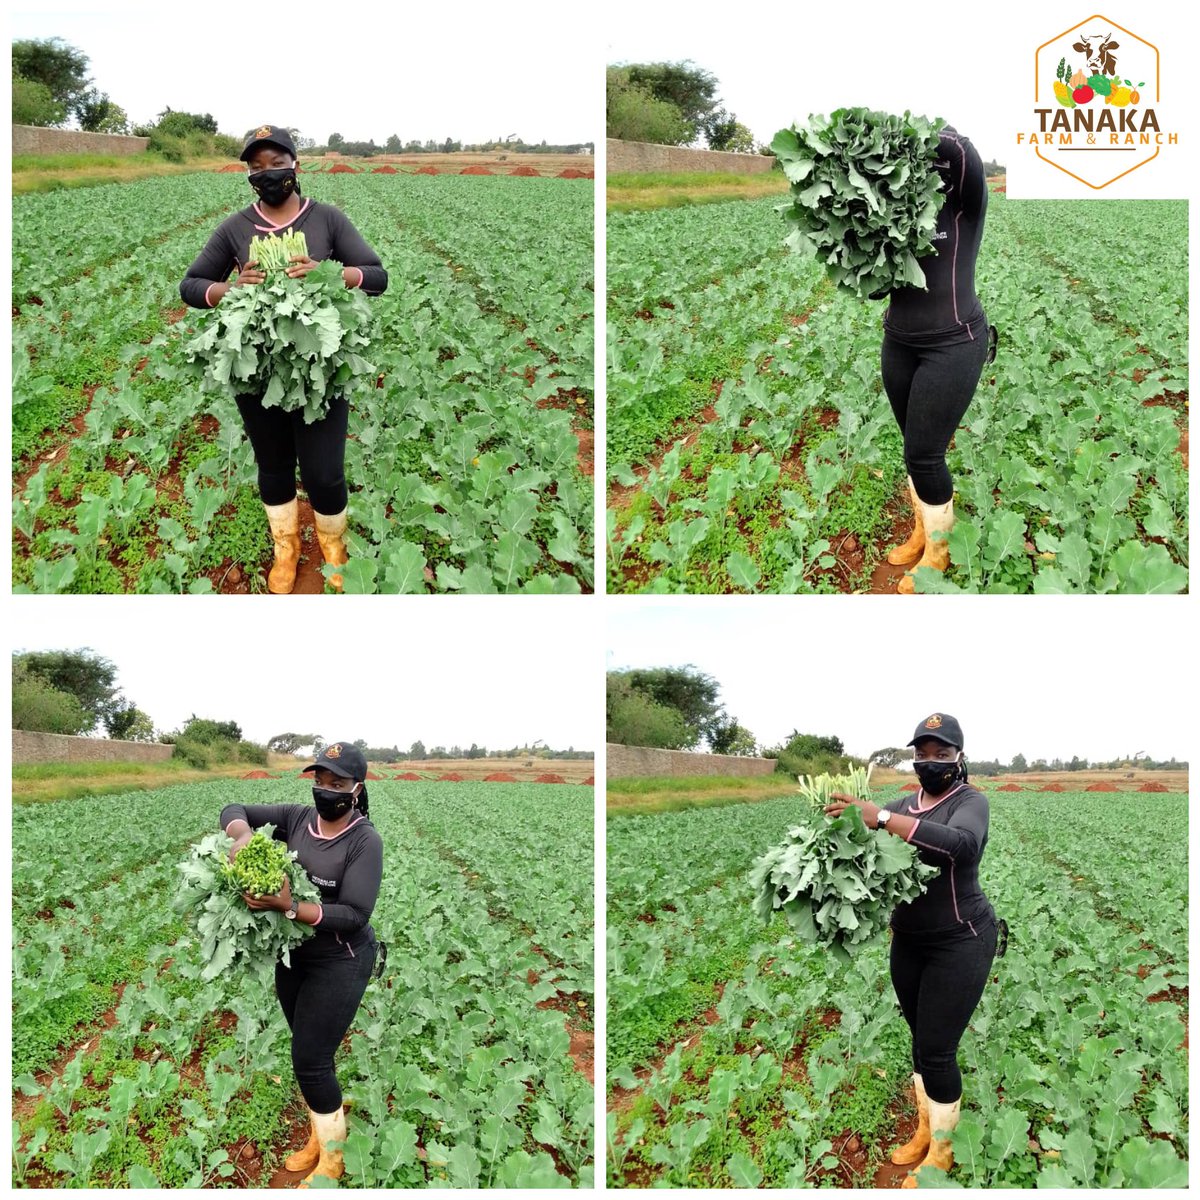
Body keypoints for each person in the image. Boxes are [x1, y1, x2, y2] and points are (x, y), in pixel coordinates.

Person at [180, 125, 388, 594]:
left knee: (323, 472)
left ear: (296, 166)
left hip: (321, 372)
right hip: (258, 372)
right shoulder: (235, 228)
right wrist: (229, 288)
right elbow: (190, 285)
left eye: (276, 164)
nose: (267, 174)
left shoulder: (327, 219)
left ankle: (334, 548)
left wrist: (331, 272)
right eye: (257, 167)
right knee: (273, 466)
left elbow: (378, 276)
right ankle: (286, 548)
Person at [824, 713, 997, 1188]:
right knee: (920, 1043)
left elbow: (960, 847)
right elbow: (866, 850)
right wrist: (838, 834)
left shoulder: (970, 803)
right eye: (923, 753)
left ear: (960, 758)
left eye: (942, 753)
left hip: (962, 941)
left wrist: (879, 817)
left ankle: (941, 1156)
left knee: (938, 1051)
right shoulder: (904, 801)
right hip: (910, 943)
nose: (931, 761)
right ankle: (926, 1130)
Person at [220, 741, 383, 1185]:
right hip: (295, 957)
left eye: (338, 784)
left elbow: (355, 915)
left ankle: (332, 1163)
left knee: (310, 1059)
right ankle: (323, 1132)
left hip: (342, 959)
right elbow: (234, 807)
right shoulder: (296, 817)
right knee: (309, 1051)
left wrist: (291, 908)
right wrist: (243, 834)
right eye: (320, 780)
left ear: (356, 788)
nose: (326, 790)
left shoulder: (364, 840)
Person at [879, 126, 993, 593]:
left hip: (954, 341)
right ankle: (924, 529)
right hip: (899, 340)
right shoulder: (890, 206)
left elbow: (963, 152)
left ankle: (938, 555)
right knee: (913, 448)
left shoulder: (963, 201)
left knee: (925, 454)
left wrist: (913, 134)